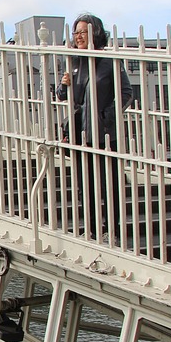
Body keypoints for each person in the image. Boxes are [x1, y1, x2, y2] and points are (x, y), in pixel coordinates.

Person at [56, 13, 134, 242]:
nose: (78, 37)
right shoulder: (75, 62)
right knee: (85, 184)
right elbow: (64, 97)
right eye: (76, 33)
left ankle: (114, 229)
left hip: (105, 133)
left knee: (110, 183)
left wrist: (106, 116)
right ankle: (91, 228)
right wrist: (63, 85)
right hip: (82, 133)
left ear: (95, 33)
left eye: (83, 32)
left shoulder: (109, 62)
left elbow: (126, 93)